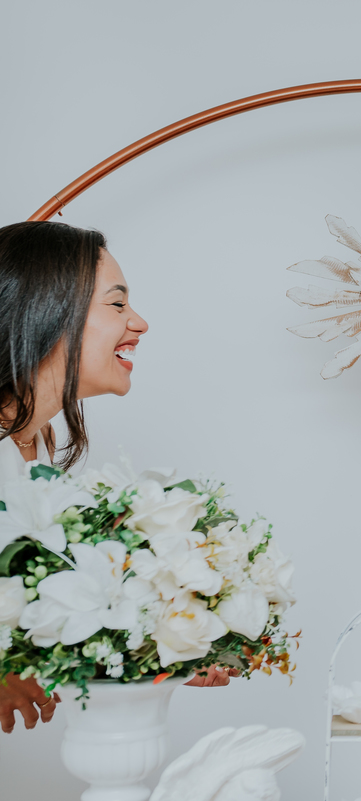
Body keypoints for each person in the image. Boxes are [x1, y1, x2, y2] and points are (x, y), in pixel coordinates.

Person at [0, 221, 230, 735]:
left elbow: (50, 606)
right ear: (47, 310)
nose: (139, 323)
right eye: (117, 304)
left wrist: (161, 646)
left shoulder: (34, 447)